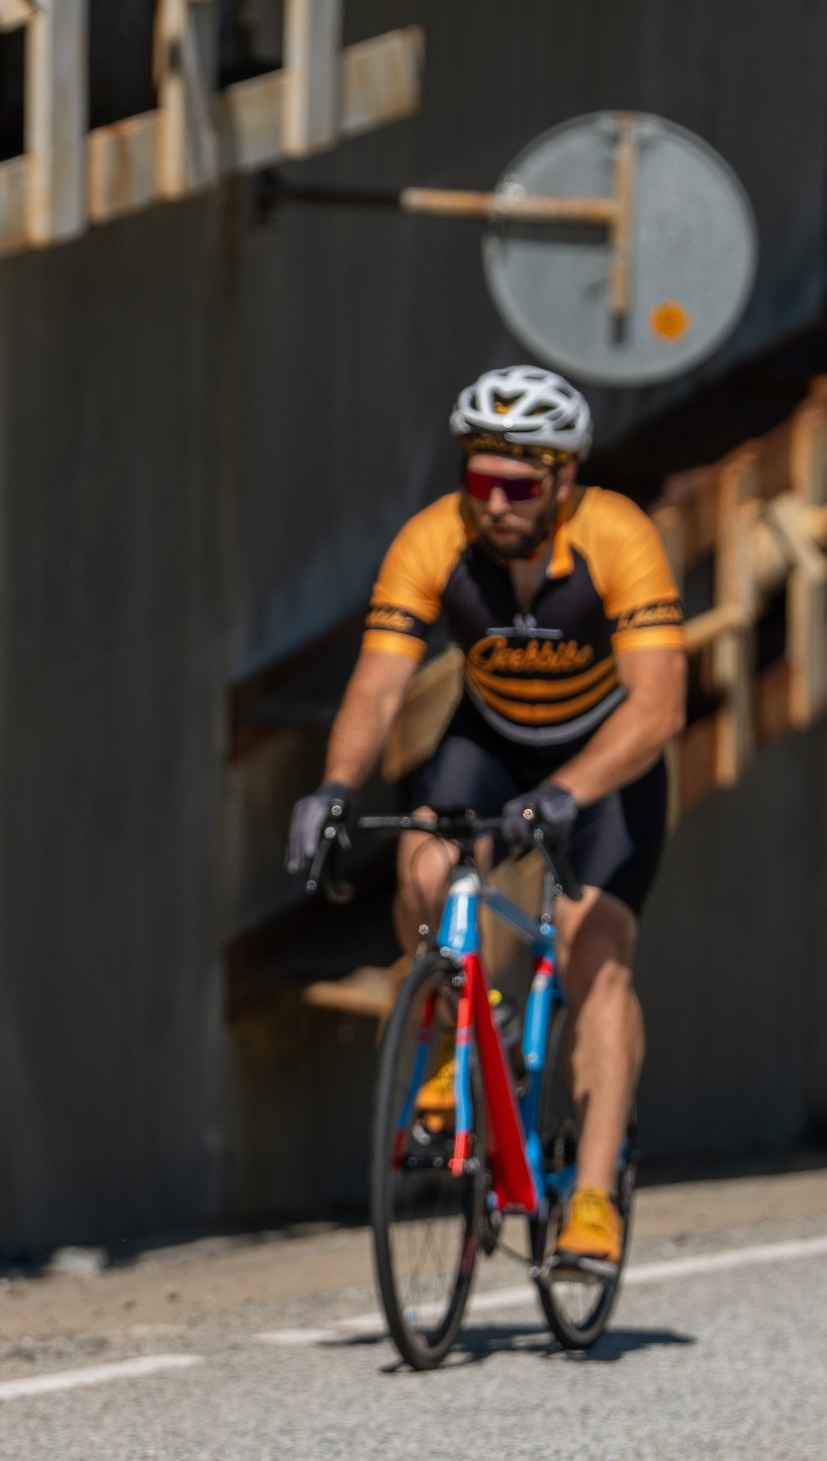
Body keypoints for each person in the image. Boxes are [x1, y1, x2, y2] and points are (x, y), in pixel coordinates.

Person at [286, 365, 685, 1272]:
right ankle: (458, 1031)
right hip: (492, 739)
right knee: (425, 868)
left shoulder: (619, 537)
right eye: (479, 481)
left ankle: (589, 1200)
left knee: (594, 949)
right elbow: (381, 679)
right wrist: (336, 787)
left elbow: (659, 707)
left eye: (518, 485)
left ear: (564, 480)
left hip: (605, 757)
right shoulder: (433, 540)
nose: (494, 504)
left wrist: (571, 792)